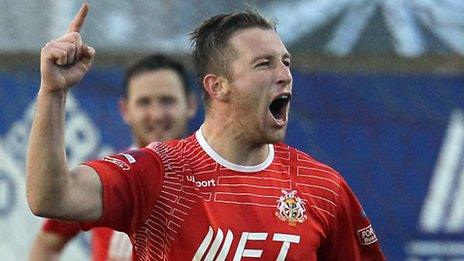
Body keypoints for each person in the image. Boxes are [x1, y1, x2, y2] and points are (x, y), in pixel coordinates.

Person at [27, 3, 385, 260]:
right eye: (264, 64)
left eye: (285, 62)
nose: (284, 74)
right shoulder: (155, 172)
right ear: (218, 87)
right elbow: (50, 198)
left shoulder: (323, 187)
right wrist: (53, 93)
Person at [29, 52, 197, 261]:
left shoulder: (216, 179)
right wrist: (52, 91)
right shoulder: (106, 178)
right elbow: (48, 242)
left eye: (167, 101)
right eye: (144, 102)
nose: (156, 114)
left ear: (191, 105)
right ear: (125, 110)